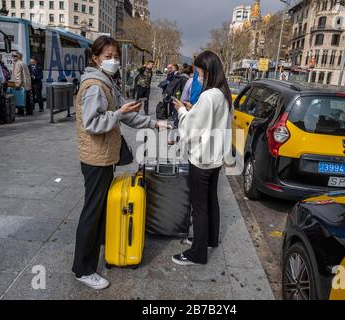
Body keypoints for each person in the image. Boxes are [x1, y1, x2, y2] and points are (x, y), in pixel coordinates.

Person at [72, 36, 167, 290]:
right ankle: (83, 269)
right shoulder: (95, 85)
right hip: (95, 158)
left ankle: (102, 249)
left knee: (100, 208)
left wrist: (154, 123)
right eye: (107, 57)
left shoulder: (107, 82)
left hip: (103, 156)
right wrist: (119, 114)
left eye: (115, 56)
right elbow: (93, 124)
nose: (113, 60)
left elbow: (128, 114)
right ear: (95, 58)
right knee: (92, 212)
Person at [172, 51, 232, 266]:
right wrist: (193, 109)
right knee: (210, 200)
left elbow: (191, 129)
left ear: (206, 71)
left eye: (198, 71)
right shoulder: (223, 93)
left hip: (202, 158)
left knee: (199, 206)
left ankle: (197, 253)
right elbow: (209, 120)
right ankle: (209, 239)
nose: (197, 75)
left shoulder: (209, 96)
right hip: (215, 158)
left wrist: (181, 111)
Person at [12, 51, 33, 116]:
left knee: (20, 97)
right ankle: (29, 111)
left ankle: (20, 111)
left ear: (19, 57)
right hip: (26, 83)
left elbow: (18, 75)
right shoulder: (23, 63)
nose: (13, 57)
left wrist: (18, 84)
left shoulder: (18, 63)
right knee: (27, 98)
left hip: (22, 84)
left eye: (15, 56)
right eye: (13, 56)